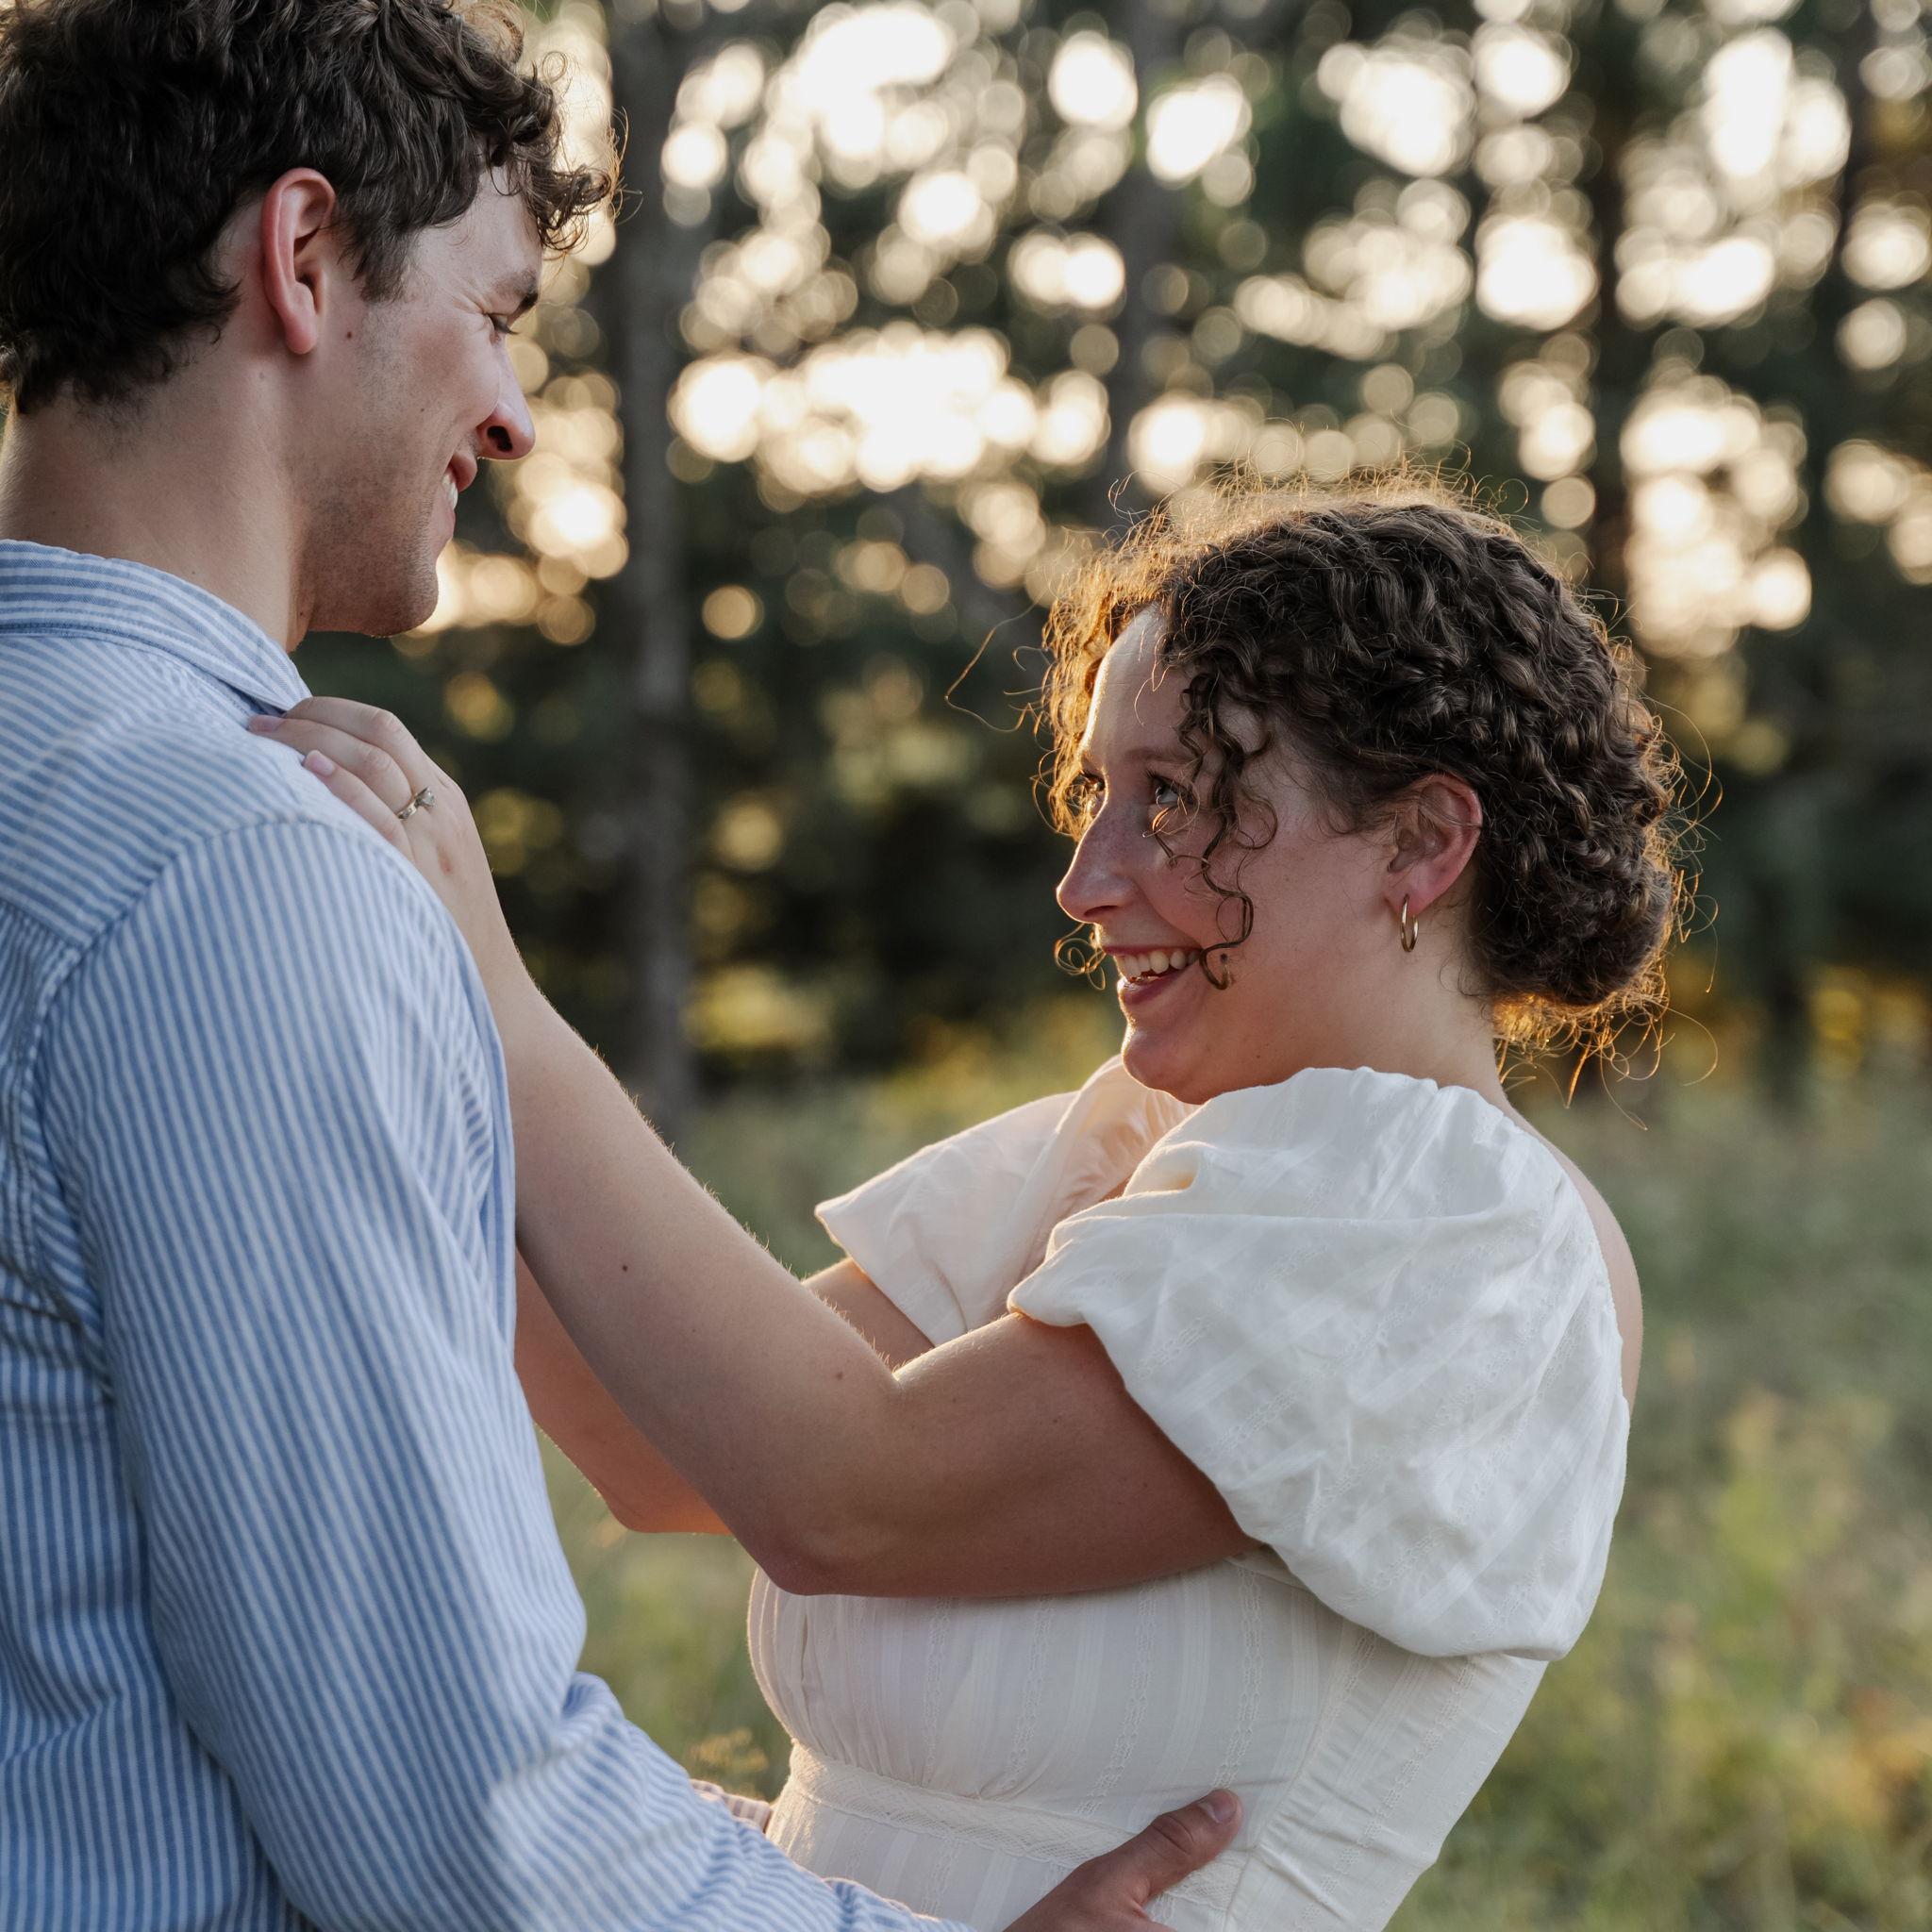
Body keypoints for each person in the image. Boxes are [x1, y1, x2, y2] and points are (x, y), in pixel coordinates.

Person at [0, 3, 1240, 1927]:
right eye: (494, 315)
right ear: (303, 257)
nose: (509, 416)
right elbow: (453, 1829)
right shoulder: (243, 874)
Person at [275, 477, 1678, 1929]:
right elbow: (663, 1449)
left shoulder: (1452, 1221)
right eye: (1097, 798)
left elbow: (843, 1495)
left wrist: (500, 1008)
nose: (1086, 882)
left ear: (1420, 843)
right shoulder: (1121, 1147)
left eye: (1173, 799)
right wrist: (376, 1021)